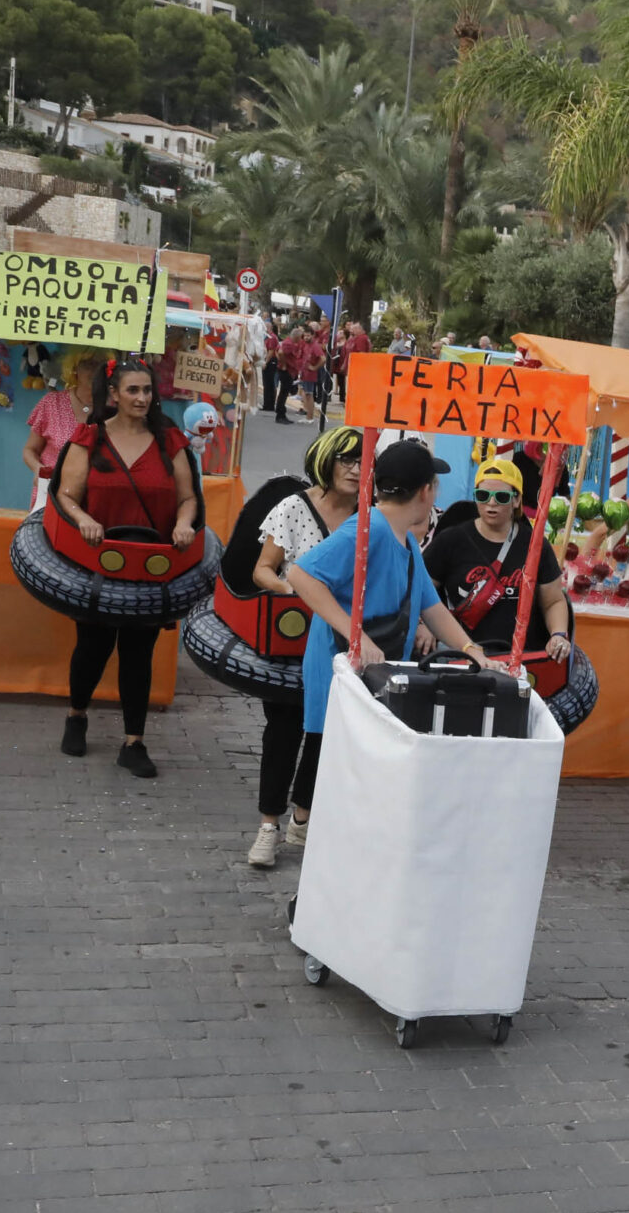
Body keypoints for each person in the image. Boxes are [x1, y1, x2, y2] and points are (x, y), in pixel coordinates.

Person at [284, 436, 498, 756]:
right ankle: (301, 811)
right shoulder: (371, 527)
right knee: (322, 774)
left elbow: (433, 609)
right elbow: (301, 575)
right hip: (343, 671)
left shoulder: (406, 539)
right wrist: (357, 636)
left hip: (374, 673)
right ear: (426, 491)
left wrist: (471, 650)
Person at [233, 429, 381, 869]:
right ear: (326, 461)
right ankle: (267, 826)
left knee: (324, 733)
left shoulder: (369, 517)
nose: (355, 469)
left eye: (363, 461)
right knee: (282, 731)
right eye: (346, 460)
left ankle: (303, 816)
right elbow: (263, 569)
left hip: (340, 643)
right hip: (293, 638)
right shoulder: (294, 507)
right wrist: (294, 593)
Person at [52, 358, 203, 779]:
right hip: (96, 565)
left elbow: (189, 496)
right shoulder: (90, 438)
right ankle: (77, 715)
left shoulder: (169, 440)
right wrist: (83, 519)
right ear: (113, 394)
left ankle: (133, 742)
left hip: (150, 566)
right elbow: (66, 494)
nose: (142, 398)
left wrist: (183, 523)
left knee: (139, 652)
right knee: (93, 647)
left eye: (147, 390)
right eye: (132, 390)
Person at [424, 456, 574, 666]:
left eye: (501, 497)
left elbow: (553, 600)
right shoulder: (451, 539)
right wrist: (423, 625)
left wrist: (558, 634)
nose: (491, 503)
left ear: (516, 500)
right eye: (483, 495)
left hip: (518, 659)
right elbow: (422, 591)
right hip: (462, 656)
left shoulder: (535, 545)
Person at [21, 352, 102, 510]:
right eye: (88, 364)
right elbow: (29, 450)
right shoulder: (51, 403)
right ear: (74, 369)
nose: (96, 370)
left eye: (101, 364)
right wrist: (39, 469)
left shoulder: (115, 407)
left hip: (96, 499)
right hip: (52, 493)